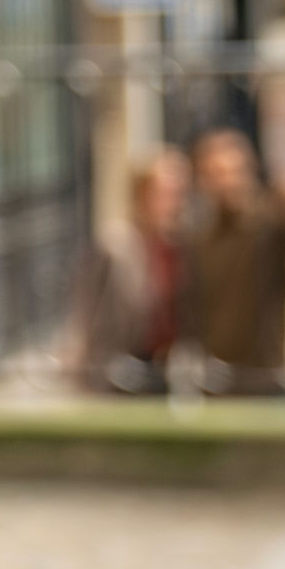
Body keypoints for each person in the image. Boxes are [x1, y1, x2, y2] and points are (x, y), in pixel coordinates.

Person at [187, 128, 285, 395]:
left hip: (265, 379)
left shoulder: (268, 223)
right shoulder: (200, 237)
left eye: (232, 171)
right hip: (218, 382)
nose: (226, 182)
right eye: (215, 174)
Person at [66, 149, 190, 393]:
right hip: (116, 368)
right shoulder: (115, 244)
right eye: (164, 194)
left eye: (178, 194)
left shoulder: (178, 245)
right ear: (141, 194)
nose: (172, 203)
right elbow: (85, 311)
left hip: (161, 368)